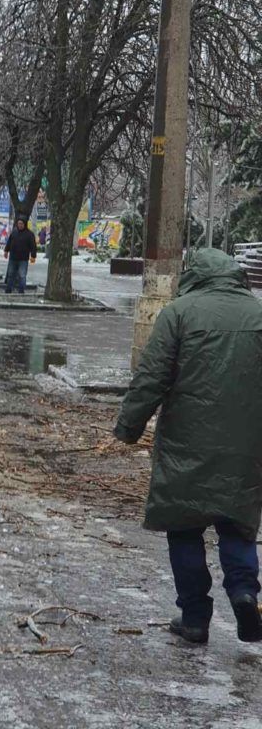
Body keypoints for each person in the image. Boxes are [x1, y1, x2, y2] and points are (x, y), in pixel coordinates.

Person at [114, 249, 262, 646]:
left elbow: (151, 376)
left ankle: (195, 618)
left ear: (192, 275)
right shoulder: (258, 313)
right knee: (237, 524)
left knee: (184, 528)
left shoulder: (179, 313)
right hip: (247, 445)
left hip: (185, 442)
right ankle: (245, 593)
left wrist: (129, 426)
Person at [3, 215, 37, 294]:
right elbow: (9, 242)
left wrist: (33, 256)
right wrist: (6, 251)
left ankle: (21, 290)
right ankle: (8, 289)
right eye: (18, 224)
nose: (20, 225)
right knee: (11, 274)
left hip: (23, 258)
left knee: (22, 275)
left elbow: (33, 246)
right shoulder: (14, 232)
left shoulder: (29, 234)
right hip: (13, 257)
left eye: (21, 224)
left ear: (24, 224)